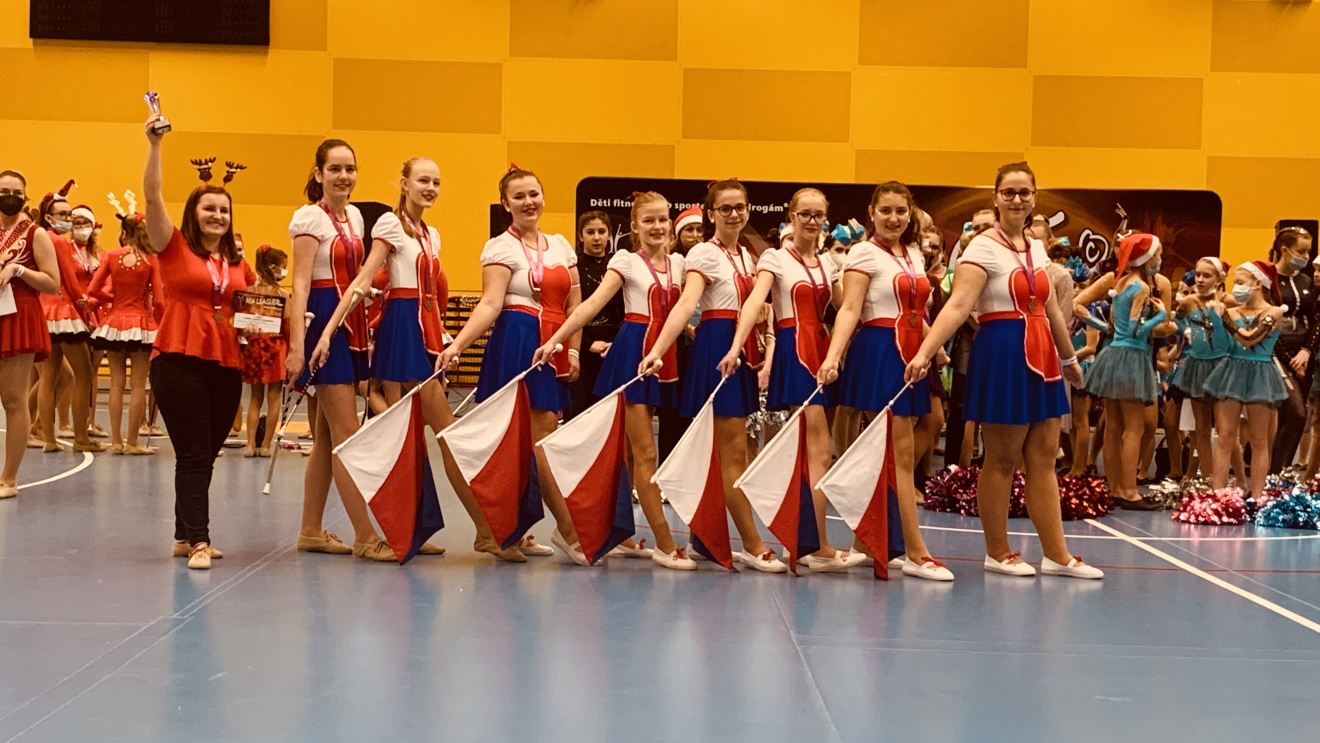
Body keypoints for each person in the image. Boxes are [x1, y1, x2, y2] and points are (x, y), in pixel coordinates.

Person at [905, 162, 1101, 580]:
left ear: (1034, 198)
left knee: (1044, 456)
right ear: (995, 197)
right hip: (1002, 351)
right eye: (1008, 192)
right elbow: (958, 306)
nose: (1017, 199)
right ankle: (997, 551)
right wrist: (926, 352)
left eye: (1024, 192)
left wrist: (1069, 360)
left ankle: (1057, 554)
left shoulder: (1036, 247)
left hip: (1042, 354)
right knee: (1002, 457)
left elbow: (1050, 308)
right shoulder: (981, 248)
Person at [532, 191, 694, 569]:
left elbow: (685, 308)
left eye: (663, 219)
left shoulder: (680, 264)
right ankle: (665, 543)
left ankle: (617, 533)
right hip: (633, 355)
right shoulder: (626, 261)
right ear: (635, 226)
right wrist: (557, 340)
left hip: (665, 353)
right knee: (645, 452)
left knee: (630, 454)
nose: (657, 227)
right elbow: (591, 304)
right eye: (648, 220)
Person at [437, 166, 586, 564]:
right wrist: (458, 345)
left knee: (541, 439)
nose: (528, 202)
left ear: (543, 197)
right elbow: (490, 304)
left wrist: (572, 351)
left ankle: (517, 529)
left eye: (533, 194)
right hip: (516, 343)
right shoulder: (499, 247)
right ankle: (565, 530)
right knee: (524, 442)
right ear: (506, 204)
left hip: (552, 345)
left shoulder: (561, 246)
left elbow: (575, 305)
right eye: (518, 196)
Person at [638, 179, 787, 573]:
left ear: (748, 210)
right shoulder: (704, 252)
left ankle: (704, 539)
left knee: (722, 452)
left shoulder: (749, 257)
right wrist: (657, 350)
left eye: (740, 207)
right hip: (718, 348)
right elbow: (686, 304)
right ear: (711, 213)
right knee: (733, 453)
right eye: (725, 208)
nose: (734, 214)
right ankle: (752, 544)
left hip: (740, 348)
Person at [718, 188, 867, 573]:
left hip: (821, 350)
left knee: (811, 452)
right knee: (819, 451)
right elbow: (755, 301)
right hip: (795, 352)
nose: (812, 221)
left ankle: (804, 541)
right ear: (792, 217)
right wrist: (736, 346)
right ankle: (815, 546)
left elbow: (846, 306)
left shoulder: (827, 263)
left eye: (819, 215)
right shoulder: (775, 258)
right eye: (805, 214)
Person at [818, 182, 950, 580]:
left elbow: (915, 310)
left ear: (911, 214)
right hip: (879, 352)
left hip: (912, 352)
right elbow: (850, 309)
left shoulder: (913, 254)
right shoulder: (862, 252)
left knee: (894, 453)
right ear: (872, 213)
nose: (894, 218)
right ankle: (915, 552)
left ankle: (868, 542)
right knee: (900, 455)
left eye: (901, 211)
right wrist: (832, 356)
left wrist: (934, 348)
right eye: (886, 211)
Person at [142, 112, 256, 569]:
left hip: (226, 361)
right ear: (194, 212)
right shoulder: (171, 246)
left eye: (224, 211)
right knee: (191, 453)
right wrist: (155, 146)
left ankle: (181, 533)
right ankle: (199, 542)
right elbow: (153, 196)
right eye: (209, 208)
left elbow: (254, 308)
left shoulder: (237, 263)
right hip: (177, 358)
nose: (217, 216)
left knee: (206, 453)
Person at [285, 139, 394, 561]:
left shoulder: (355, 218)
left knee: (328, 436)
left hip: (350, 322)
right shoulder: (309, 218)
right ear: (319, 174)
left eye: (350, 169)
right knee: (347, 435)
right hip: (321, 323)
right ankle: (366, 536)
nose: (344, 176)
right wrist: (297, 346)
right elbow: (299, 284)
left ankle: (311, 530)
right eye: (334, 169)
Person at [1073, 233, 1167, 508]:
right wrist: (1161, 317)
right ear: (1147, 258)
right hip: (1132, 357)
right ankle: (1130, 491)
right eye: (1157, 255)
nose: (1160, 260)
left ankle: (1114, 488)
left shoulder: (1120, 282)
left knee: (1112, 425)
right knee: (1134, 427)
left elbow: (1079, 307)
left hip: (1112, 354)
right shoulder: (1142, 287)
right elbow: (1137, 329)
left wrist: (1105, 328)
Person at [1203, 261, 1287, 501]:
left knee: (1259, 439)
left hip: (1260, 373)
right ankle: (1218, 496)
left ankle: (1258, 497)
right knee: (1225, 435)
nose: (1236, 288)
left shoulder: (1274, 312)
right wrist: (1216, 319)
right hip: (1232, 371)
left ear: (1258, 283)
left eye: (1240, 282)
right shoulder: (1232, 312)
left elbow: (1249, 339)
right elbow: (1223, 346)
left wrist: (1224, 319)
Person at [0, 170, 61, 499]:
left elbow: (53, 283)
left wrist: (19, 269)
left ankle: (8, 478)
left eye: (15, 192)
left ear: (25, 196)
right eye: (3, 191)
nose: (9, 197)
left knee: (13, 400)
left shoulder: (35, 234)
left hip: (18, 317)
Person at [86, 204, 162, 455]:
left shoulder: (112, 256)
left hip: (114, 323)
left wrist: (113, 298)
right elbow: (160, 300)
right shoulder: (151, 260)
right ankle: (133, 442)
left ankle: (117, 441)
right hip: (142, 323)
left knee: (116, 382)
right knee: (138, 384)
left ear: (124, 232)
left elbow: (93, 290)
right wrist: (161, 323)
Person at [36, 186, 105, 453]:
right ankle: (81, 438)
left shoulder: (38, 236)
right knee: (84, 374)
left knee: (48, 376)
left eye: (69, 213)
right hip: (64, 312)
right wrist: (85, 308)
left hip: (43, 312)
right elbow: (69, 279)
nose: (68, 218)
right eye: (63, 214)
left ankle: (49, 439)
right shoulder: (59, 242)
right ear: (49, 216)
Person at [1170, 258, 1232, 481]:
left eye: (1207, 275)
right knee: (1201, 428)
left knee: (1226, 429)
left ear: (1219, 279)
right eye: (1198, 274)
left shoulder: (1229, 301)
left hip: (1222, 366)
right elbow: (1177, 319)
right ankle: (1207, 478)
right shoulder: (1189, 302)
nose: (1200, 280)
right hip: (1197, 365)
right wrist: (1185, 330)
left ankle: (1227, 478)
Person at [1268, 227, 1316, 473]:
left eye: (1308, 252)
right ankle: (1276, 475)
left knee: (1296, 418)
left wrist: (1306, 350)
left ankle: (1279, 474)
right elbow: (1267, 324)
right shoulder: (1267, 279)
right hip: (1276, 353)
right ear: (1285, 250)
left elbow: (1317, 320)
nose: (1306, 257)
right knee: (1296, 413)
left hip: (1304, 354)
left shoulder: (1306, 281)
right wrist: (1290, 359)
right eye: (1301, 251)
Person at [567, 210, 622, 421]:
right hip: (580, 346)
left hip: (612, 349)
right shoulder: (573, 269)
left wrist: (616, 344)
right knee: (578, 412)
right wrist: (588, 344)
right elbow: (569, 311)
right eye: (590, 232)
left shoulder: (618, 268)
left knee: (606, 415)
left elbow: (626, 311)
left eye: (601, 231)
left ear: (609, 234)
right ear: (581, 236)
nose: (597, 238)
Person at [239, 246, 289, 457]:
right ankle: (267, 445)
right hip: (275, 348)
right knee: (274, 397)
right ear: (273, 267)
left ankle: (250, 445)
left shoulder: (248, 291)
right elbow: (288, 326)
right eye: (284, 267)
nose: (285, 272)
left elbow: (240, 323)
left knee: (254, 397)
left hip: (254, 346)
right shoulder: (283, 294)